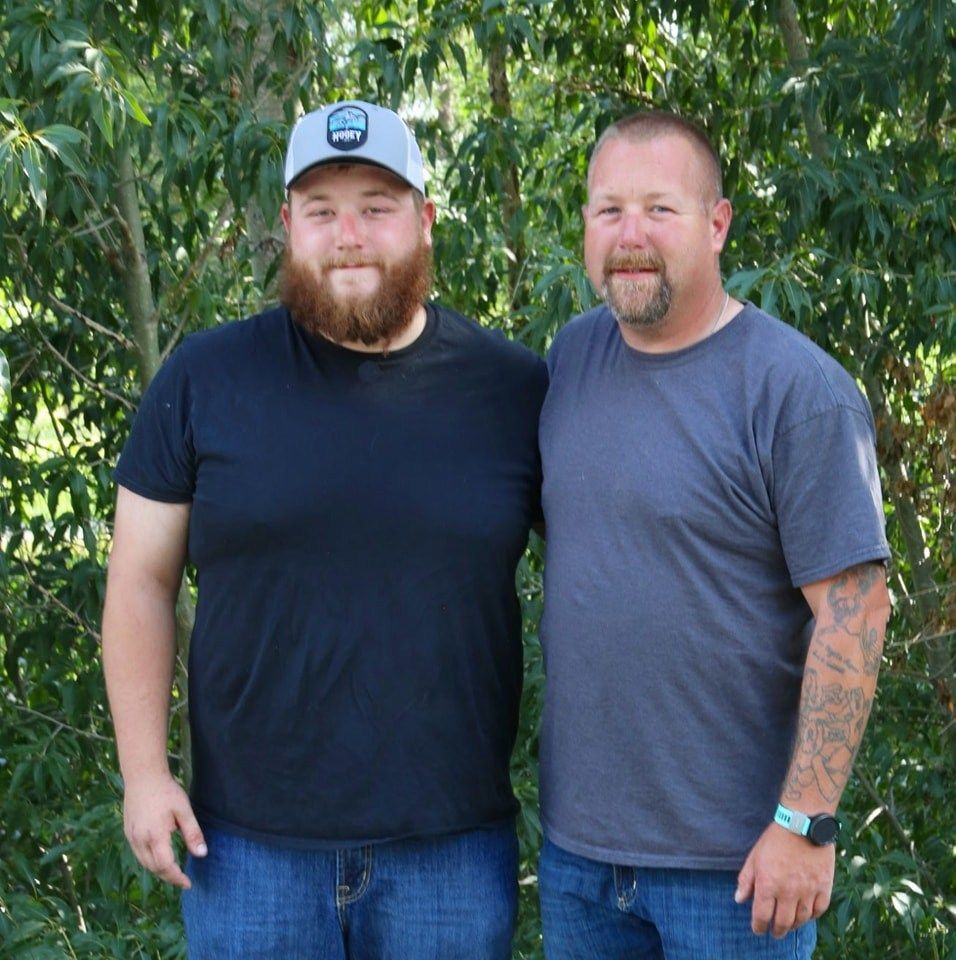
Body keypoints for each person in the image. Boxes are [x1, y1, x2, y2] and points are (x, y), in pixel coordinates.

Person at [101, 99, 547, 959]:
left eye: (377, 206)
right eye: (322, 210)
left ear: (424, 220)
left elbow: (606, 568)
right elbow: (139, 581)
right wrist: (145, 776)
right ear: (286, 227)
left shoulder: (513, 391)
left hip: (449, 856)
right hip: (243, 856)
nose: (349, 234)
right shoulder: (203, 378)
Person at [536, 110, 891, 959]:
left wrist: (805, 822)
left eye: (660, 209)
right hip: (578, 860)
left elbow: (856, 613)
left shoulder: (797, 392)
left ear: (718, 222)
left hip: (738, 873)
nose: (630, 235)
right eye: (607, 209)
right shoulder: (571, 359)